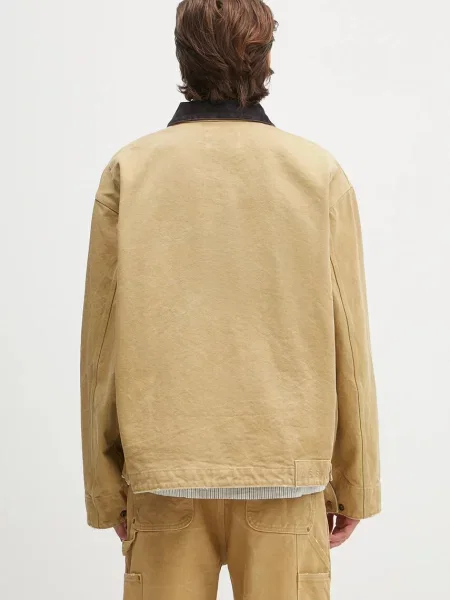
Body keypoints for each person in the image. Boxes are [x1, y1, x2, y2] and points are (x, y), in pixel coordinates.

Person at [80, 1, 381, 598]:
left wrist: (105, 486)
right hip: (287, 475)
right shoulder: (316, 172)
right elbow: (350, 339)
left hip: (163, 474)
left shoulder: (131, 170)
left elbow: (102, 343)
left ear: (182, 58)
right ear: (265, 59)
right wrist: (355, 481)